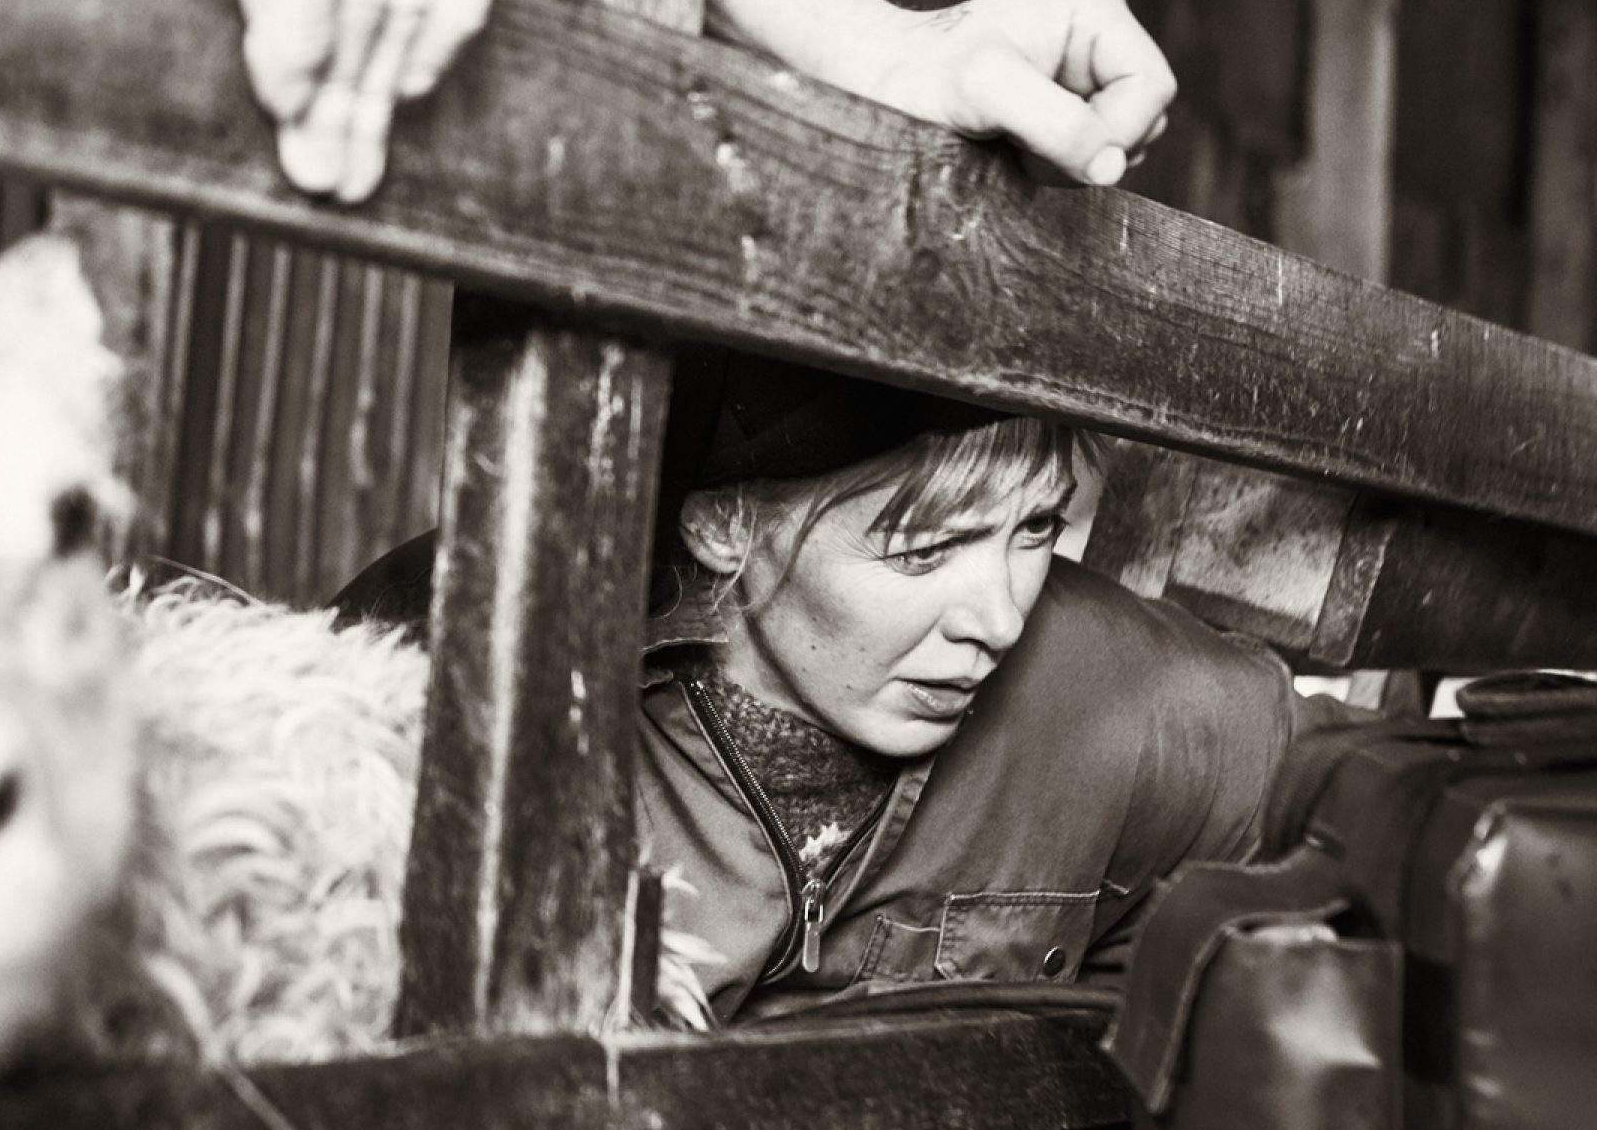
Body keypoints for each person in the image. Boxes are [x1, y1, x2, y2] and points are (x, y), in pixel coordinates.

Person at [333, 351, 1346, 1021]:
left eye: (1035, 527)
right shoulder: (454, 657)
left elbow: (1353, 802)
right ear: (724, 521)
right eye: (923, 549)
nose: (998, 618)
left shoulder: (1112, 691)